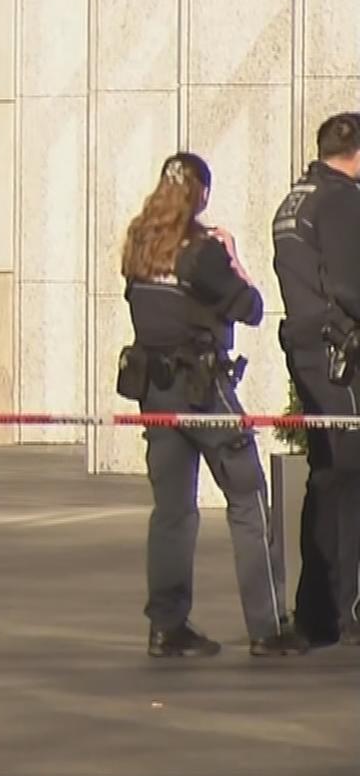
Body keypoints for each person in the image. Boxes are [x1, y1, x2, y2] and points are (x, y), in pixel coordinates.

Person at [117, 153, 307, 657]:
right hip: (205, 390)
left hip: (153, 391)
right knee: (248, 498)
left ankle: (167, 626)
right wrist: (234, 257)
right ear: (200, 193)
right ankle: (267, 628)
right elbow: (251, 308)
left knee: (173, 510)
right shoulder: (202, 251)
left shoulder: (139, 243)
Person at [271, 112, 360, 648]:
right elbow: (352, 284)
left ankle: (316, 611)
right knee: (347, 481)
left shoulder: (296, 199)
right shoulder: (342, 199)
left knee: (328, 477)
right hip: (341, 359)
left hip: (310, 353)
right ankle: (337, 611)